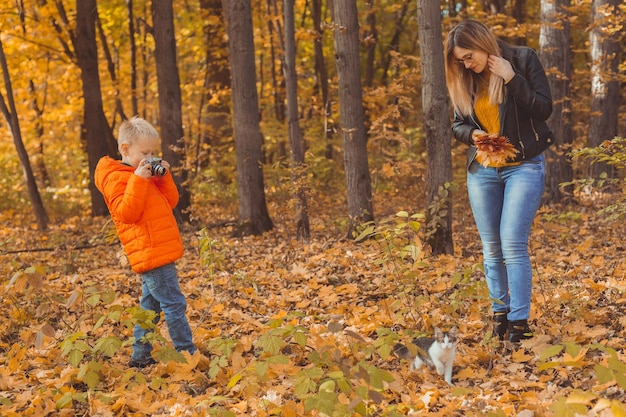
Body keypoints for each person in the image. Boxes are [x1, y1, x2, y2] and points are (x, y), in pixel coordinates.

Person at [444, 19, 554, 342]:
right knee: (491, 247)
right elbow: (457, 124)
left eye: (468, 56)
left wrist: (511, 78)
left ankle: (519, 325)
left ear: (481, 42)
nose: (467, 64)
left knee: (512, 243)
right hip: (483, 169)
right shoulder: (465, 78)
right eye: (461, 60)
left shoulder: (522, 59)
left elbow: (544, 109)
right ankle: (500, 318)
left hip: (524, 164)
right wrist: (473, 134)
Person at [95, 116, 196, 367]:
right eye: (145, 152)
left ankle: (140, 357)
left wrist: (163, 176)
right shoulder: (116, 177)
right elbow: (126, 214)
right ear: (125, 149)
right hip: (149, 250)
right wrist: (139, 179)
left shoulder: (145, 173)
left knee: (149, 308)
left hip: (158, 247)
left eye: (153, 152)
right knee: (174, 303)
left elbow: (171, 202)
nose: (150, 157)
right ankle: (187, 354)